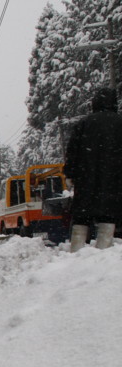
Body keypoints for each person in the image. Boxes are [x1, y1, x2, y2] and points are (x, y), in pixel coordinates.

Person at [64, 87, 122, 251]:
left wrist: (70, 173)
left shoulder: (83, 123)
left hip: (85, 178)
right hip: (113, 180)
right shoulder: (120, 123)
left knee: (82, 216)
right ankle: (104, 248)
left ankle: (76, 249)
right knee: (108, 215)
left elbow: (72, 151)